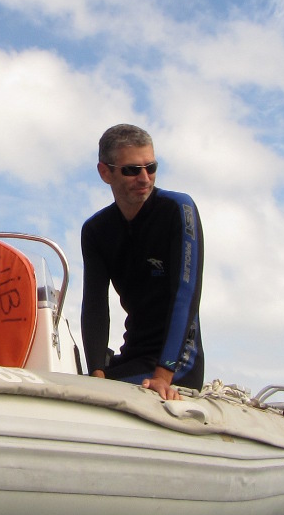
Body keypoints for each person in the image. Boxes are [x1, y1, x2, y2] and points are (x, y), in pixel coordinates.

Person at [80, 124, 204, 401]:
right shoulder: (96, 230)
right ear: (105, 172)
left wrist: (164, 374)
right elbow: (95, 305)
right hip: (133, 355)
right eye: (132, 170)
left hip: (177, 363)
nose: (145, 178)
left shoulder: (178, 209)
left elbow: (185, 295)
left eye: (151, 167)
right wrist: (96, 373)